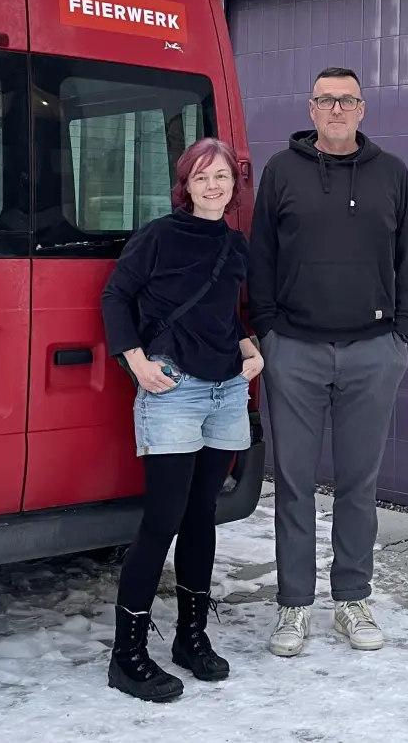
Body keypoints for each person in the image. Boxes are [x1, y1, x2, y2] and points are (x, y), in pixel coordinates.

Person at [249, 66, 408, 657]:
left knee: (358, 485)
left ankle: (352, 598)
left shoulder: (392, 174)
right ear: (311, 108)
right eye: (325, 100)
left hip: (372, 351)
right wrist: (269, 331)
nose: (336, 108)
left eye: (347, 100)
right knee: (294, 486)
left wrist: (402, 335)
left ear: (363, 109)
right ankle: (294, 607)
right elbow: (262, 257)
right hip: (293, 351)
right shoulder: (281, 172)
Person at [100, 138, 263, 702]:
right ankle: (128, 656)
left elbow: (229, 314)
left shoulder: (235, 245)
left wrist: (251, 349)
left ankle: (190, 639)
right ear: (185, 186)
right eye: (201, 178)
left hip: (226, 391)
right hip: (174, 389)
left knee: (202, 517)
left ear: (232, 185)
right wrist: (136, 361)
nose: (212, 186)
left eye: (220, 177)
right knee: (161, 522)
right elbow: (116, 297)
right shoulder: (159, 236)